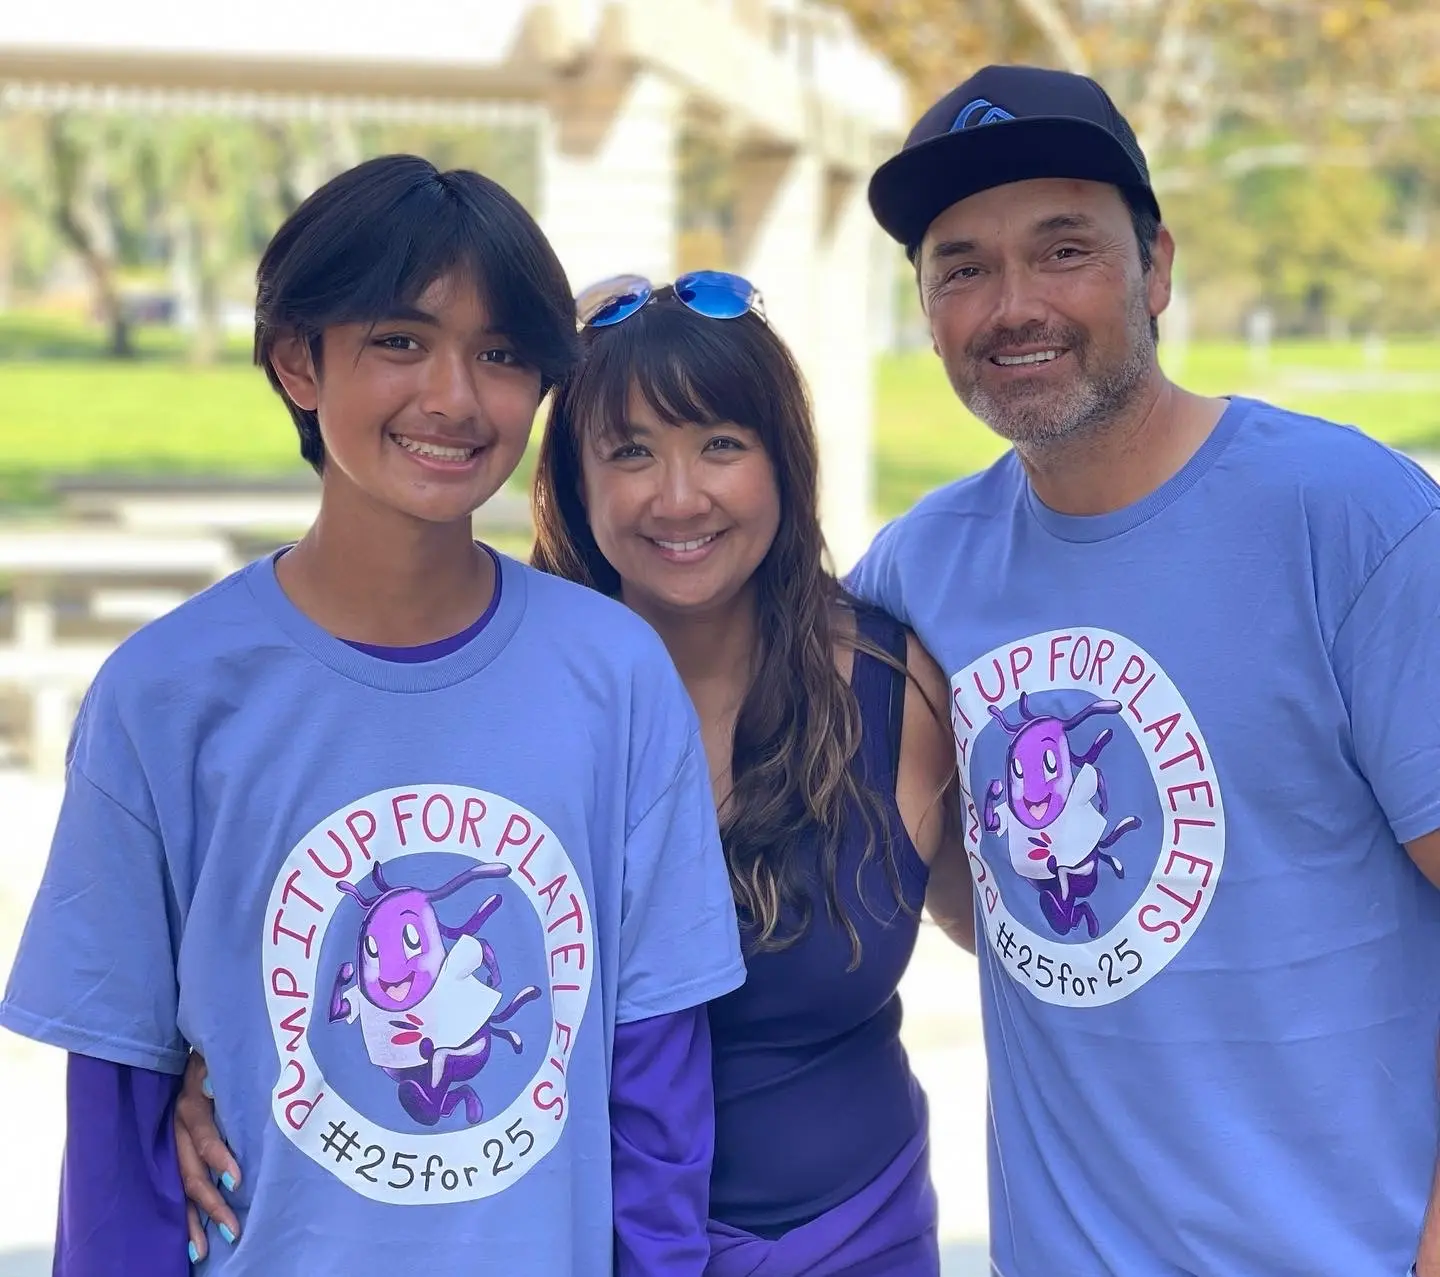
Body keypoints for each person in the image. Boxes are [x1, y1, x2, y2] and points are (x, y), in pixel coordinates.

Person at [0, 156, 746, 1276]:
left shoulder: (613, 676)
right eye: (401, 340)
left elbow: (658, 1089)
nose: (454, 396)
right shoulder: (166, 694)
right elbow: (116, 1115)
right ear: (299, 360)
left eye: (500, 354)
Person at [173, 268, 978, 1274]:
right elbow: (335, 911)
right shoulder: (489, 691)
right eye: (630, 450)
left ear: (785, 462)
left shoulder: (894, 691)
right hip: (560, 1241)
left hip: (850, 1237)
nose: (677, 496)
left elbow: (1003, 929)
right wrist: (209, 1059)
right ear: (571, 477)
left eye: (722, 444)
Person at [847, 61, 1440, 1277]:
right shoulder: (917, 572)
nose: (1012, 304)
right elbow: (966, 883)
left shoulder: (1351, 523)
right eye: (962, 266)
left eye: (1063, 248)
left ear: (1156, 265)